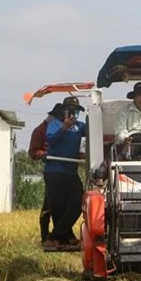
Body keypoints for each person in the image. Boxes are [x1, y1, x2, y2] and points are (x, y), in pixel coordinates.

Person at [42, 96, 87, 251]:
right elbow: (51, 140)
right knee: (58, 207)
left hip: (70, 171)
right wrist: (64, 127)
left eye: (76, 111)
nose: (74, 114)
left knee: (78, 203)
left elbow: (94, 131)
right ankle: (65, 238)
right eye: (71, 110)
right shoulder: (54, 124)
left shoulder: (79, 127)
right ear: (63, 111)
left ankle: (54, 237)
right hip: (54, 171)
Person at [28, 103, 63, 247]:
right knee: (49, 206)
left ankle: (59, 236)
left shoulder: (63, 129)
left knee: (62, 205)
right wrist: (45, 154)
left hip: (65, 171)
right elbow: (32, 152)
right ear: (55, 116)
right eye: (60, 116)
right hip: (51, 171)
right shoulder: (40, 131)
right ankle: (45, 237)